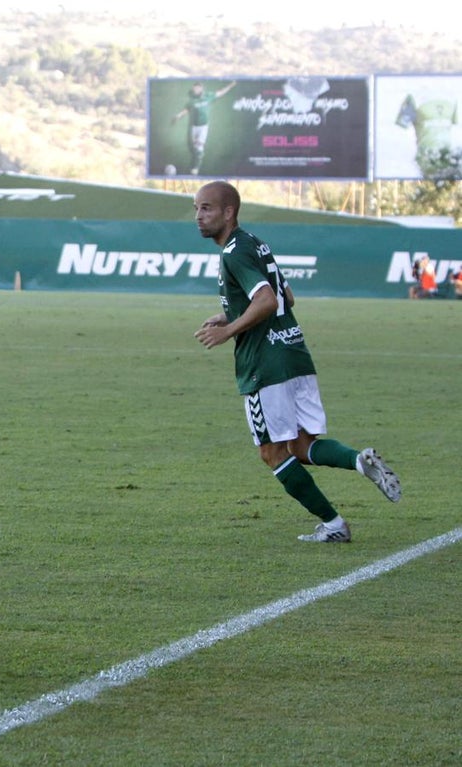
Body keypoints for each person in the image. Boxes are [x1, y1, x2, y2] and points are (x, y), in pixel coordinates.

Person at [192, 180, 401, 543]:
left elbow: (270, 301)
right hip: (295, 354)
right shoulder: (255, 242)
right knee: (302, 447)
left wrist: (229, 331)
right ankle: (358, 461)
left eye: (206, 208)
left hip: (265, 365)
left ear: (229, 212)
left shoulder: (233, 253)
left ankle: (334, 524)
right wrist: (230, 315)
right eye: (196, 209)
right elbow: (287, 295)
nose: (198, 216)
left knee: (272, 453)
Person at [171, 81, 237, 175]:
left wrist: (230, 86)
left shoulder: (208, 96)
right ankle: (196, 161)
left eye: (197, 88)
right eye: (194, 88)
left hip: (203, 127)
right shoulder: (192, 101)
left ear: (201, 88)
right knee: (194, 148)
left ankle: (195, 168)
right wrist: (178, 116)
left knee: (199, 148)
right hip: (194, 127)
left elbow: (220, 92)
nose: (195, 90)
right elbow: (186, 110)